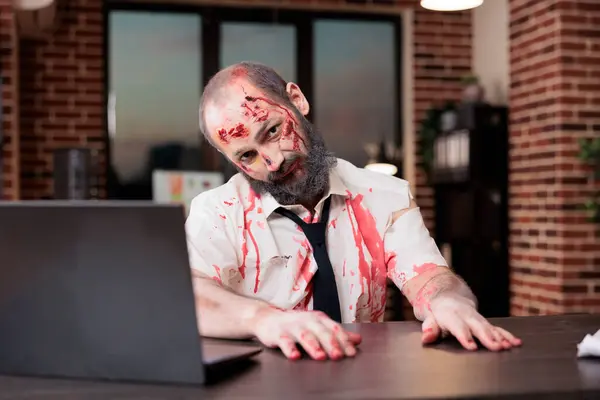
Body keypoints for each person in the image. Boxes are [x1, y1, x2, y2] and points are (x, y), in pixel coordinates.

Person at [185, 61, 521, 361]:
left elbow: (430, 278)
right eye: (247, 156)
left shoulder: (385, 195)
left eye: (272, 131)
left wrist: (447, 301)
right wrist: (264, 320)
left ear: (297, 100)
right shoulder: (216, 212)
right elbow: (190, 294)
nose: (272, 162)